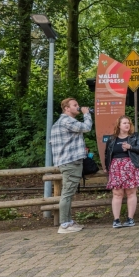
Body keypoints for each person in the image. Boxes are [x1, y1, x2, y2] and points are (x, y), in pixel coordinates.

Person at [50, 98, 93, 234]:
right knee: (67, 193)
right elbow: (86, 127)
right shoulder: (67, 121)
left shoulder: (61, 122)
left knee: (68, 193)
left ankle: (68, 221)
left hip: (67, 162)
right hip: (70, 162)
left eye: (78, 105)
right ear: (66, 108)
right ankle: (64, 224)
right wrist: (87, 114)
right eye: (75, 105)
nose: (78, 107)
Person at [103, 115, 139, 228]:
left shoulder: (134, 136)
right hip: (116, 168)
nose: (127, 125)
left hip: (131, 166)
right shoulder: (112, 139)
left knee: (131, 193)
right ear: (119, 125)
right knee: (117, 194)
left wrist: (130, 147)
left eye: (129, 123)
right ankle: (116, 220)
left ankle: (130, 219)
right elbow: (107, 154)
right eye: (124, 123)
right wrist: (107, 167)